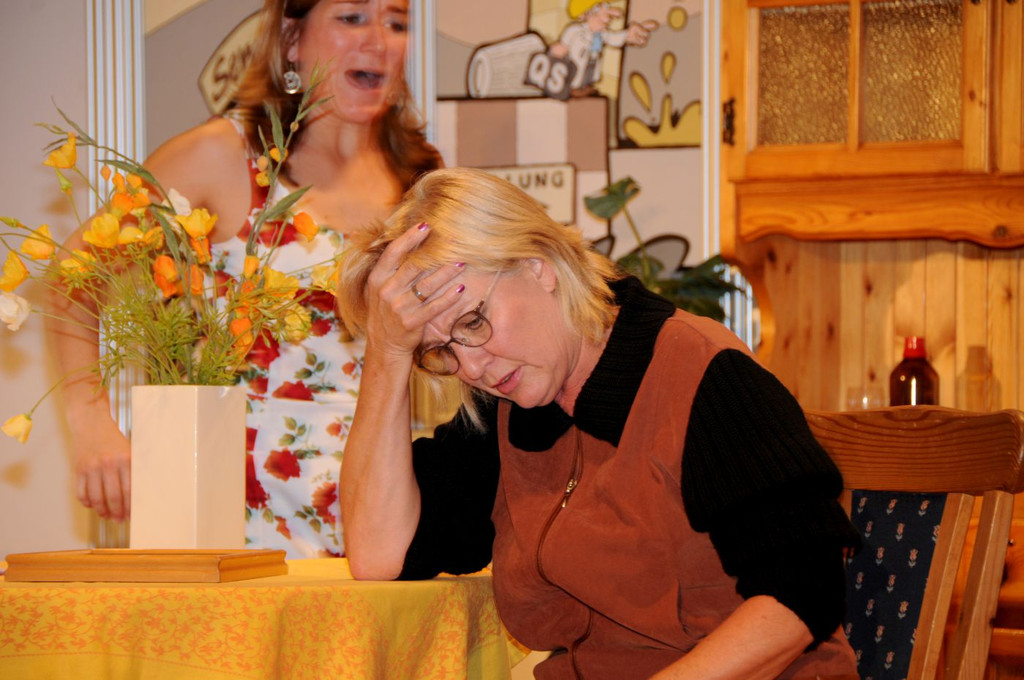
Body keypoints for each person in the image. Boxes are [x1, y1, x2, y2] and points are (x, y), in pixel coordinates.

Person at [335, 167, 862, 679]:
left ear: (538, 265)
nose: (471, 368)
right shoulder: (509, 407)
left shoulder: (703, 374)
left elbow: (803, 593)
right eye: (440, 352)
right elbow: (381, 554)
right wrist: (388, 353)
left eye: (473, 321)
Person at [49, 0, 439, 558]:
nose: (379, 39)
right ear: (291, 38)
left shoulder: (422, 178)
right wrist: (90, 422)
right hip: (237, 514)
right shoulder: (222, 154)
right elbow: (73, 277)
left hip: (384, 509)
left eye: (397, 22)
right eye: (352, 17)